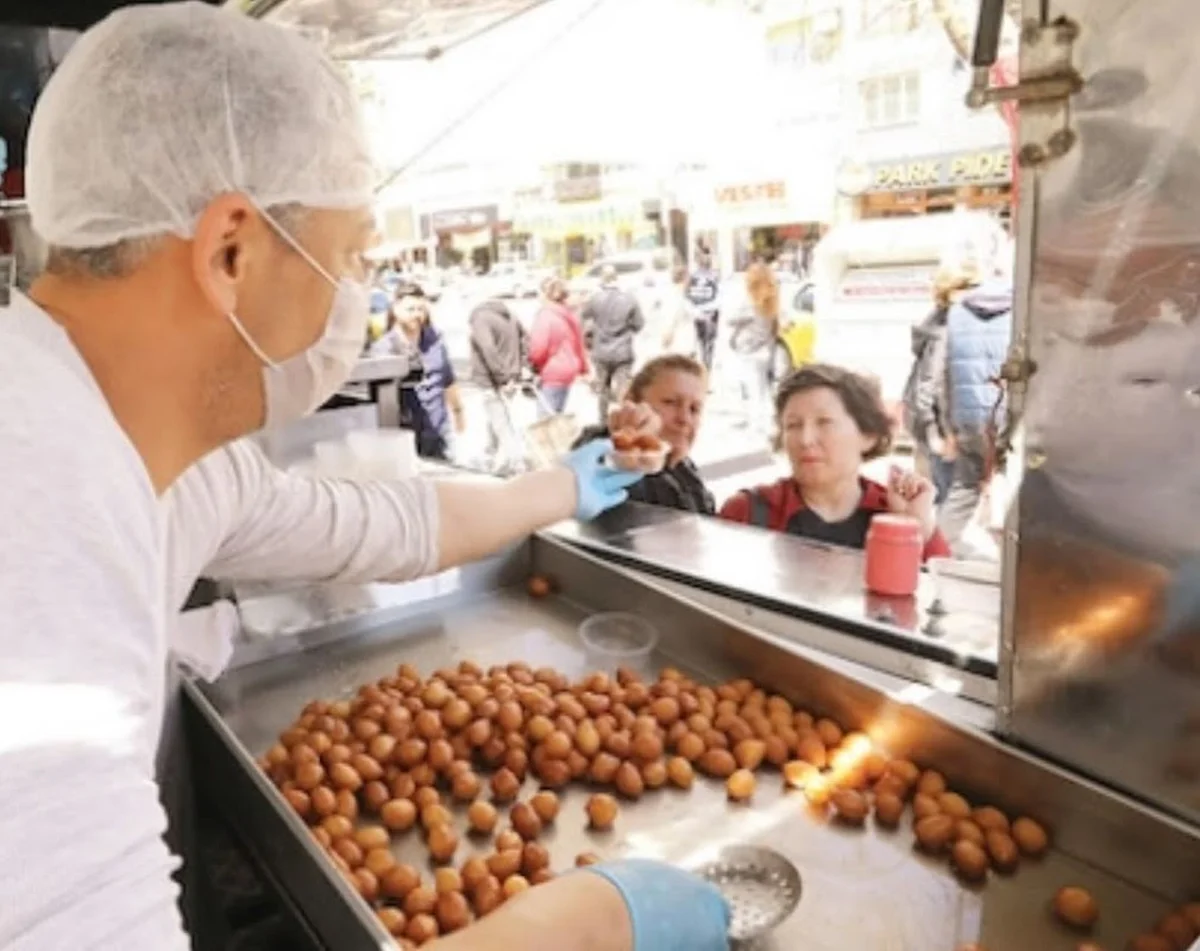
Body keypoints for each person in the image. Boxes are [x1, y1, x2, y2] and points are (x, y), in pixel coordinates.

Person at [0, 6, 727, 950]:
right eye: (348, 255)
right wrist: (585, 924)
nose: (360, 295)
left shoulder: (123, 437)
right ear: (231, 251)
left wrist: (560, 487)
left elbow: (369, 524)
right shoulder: (37, 512)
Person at [721, 364, 951, 559]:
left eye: (824, 422)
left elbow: (943, 590)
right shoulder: (747, 512)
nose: (806, 439)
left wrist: (915, 530)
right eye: (793, 425)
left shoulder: (894, 514)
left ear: (868, 435)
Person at [930, 272, 1013, 557]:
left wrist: (948, 426)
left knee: (964, 486)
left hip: (967, 418)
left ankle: (936, 550)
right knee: (1016, 487)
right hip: (1008, 417)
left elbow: (942, 375)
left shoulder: (957, 313)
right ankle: (1013, 560)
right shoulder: (1020, 312)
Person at [572, 354, 715, 514]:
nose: (684, 418)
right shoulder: (600, 453)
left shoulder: (687, 473)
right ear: (632, 402)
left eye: (694, 409)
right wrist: (627, 445)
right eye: (670, 402)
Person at [901, 267, 974, 505]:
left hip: (930, 424)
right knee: (947, 498)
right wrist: (937, 434)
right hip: (939, 429)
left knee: (935, 496)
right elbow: (929, 385)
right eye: (971, 288)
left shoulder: (938, 320)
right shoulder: (947, 329)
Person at [371, 283, 464, 460]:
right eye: (411, 309)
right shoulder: (384, 350)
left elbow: (448, 379)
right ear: (396, 310)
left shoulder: (435, 341)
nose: (416, 314)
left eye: (421, 309)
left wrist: (459, 413)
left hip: (438, 435)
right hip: (404, 439)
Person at [469, 297, 529, 473]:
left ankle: (515, 461)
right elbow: (526, 339)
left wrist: (501, 377)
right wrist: (521, 366)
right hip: (512, 374)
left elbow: (488, 348)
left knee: (500, 420)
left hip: (490, 378)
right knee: (496, 416)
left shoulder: (480, 319)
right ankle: (489, 454)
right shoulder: (511, 315)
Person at [582, 263, 644, 420]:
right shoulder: (629, 298)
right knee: (623, 388)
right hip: (623, 351)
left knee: (602, 388)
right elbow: (639, 324)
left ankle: (602, 420)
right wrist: (627, 328)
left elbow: (584, 319)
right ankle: (625, 419)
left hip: (601, 352)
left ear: (602, 279)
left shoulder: (594, 299)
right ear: (617, 278)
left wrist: (591, 334)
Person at [727, 261, 778, 435]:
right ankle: (767, 421)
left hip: (749, 350)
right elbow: (775, 326)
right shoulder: (772, 300)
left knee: (753, 388)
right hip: (765, 349)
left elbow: (731, 319)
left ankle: (758, 425)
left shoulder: (750, 302)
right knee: (763, 387)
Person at [528, 274, 588, 417]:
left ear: (544, 294)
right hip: (568, 369)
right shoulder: (567, 314)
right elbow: (578, 343)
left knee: (546, 418)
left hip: (552, 371)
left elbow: (538, 349)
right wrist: (583, 368)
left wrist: (533, 364)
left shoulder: (545, 316)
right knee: (557, 412)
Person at [685, 250, 721, 370]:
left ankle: (704, 362)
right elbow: (718, 294)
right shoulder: (714, 275)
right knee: (709, 341)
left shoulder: (693, 276)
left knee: (702, 339)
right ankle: (706, 364)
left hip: (699, 312)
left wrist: (694, 309)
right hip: (710, 312)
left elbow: (687, 294)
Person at [656, 263, 699, 361]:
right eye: (689, 278)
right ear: (684, 278)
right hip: (679, 347)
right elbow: (670, 318)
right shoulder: (675, 296)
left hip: (686, 347)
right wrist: (667, 335)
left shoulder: (683, 295)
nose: (691, 281)